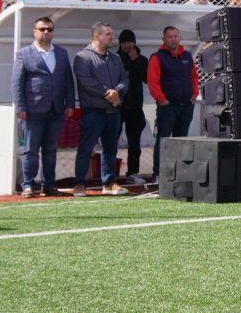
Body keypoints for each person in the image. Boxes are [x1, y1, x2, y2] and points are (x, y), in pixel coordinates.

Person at [12, 15, 68, 196]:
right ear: (34, 31)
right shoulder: (24, 53)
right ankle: (27, 184)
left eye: (49, 29)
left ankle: (49, 185)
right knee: (31, 148)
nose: (46, 32)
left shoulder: (61, 52)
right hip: (32, 109)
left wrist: (70, 103)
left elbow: (68, 80)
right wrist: (20, 107)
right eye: (42, 29)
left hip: (56, 108)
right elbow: (17, 82)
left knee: (51, 149)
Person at [70, 21, 127, 194]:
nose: (112, 37)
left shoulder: (115, 58)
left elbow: (125, 79)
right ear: (97, 35)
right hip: (93, 111)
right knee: (86, 148)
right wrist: (108, 93)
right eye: (108, 34)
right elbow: (87, 82)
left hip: (113, 111)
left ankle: (108, 183)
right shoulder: (82, 57)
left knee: (110, 148)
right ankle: (80, 183)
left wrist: (117, 91)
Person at [147, 26, 196, 178]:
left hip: (186, 106)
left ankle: (179, 173)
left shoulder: (187, 56)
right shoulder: (157, 57)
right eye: (170, 36)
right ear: (164, 39)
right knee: (163, 140)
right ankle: (159, 174)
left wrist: (194, 95)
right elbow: (152, 81)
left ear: (179, 37)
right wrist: (162, 100)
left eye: (176, 36)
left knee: (181, 141)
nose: (173, 39)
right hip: (167, 107)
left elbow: (194, 76)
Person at [115, 28, 149, 188]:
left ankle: (132, 172)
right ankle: (110, 174)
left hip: (135, 106)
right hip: (117, 106)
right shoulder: (114, 59)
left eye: (130, 42)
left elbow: (146, 78)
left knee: (134, 142)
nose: (128, 45)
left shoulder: (141, 59)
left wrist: (135, 61)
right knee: (112, 140)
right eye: (125, 42)